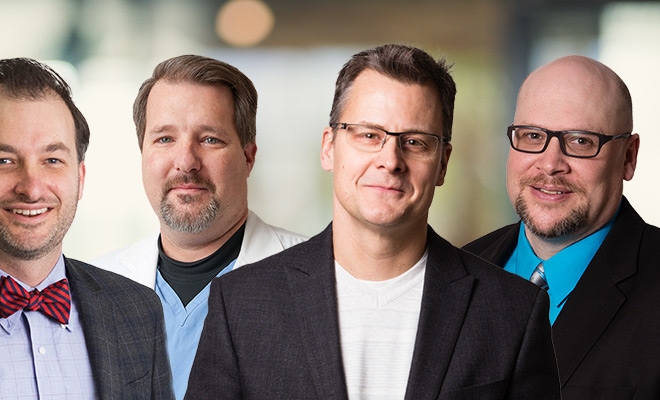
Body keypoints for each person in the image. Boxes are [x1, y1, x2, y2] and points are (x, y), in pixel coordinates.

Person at [185, 44, 560, 399]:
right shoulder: (240, 304)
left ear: (443, 163)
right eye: (369, 135)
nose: (390, 161)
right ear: (329, 147)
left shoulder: (512, 312)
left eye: (415, 142)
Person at [0, 58, 172, 399]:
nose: (32, 187)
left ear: (79, 178)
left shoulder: (139, 311)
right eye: (4, 160)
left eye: (52, 160)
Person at [92, 55, 306, 400]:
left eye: (210, 139)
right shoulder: (90, 292)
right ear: (142, 153)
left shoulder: (321, 281)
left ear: (248, 157)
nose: (186, 162)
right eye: (164, 139)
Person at [463, 55, 660, 399]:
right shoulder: (456, 271)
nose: (550, 164)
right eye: (532, 135)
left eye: (581, 141)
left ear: (628, 157)